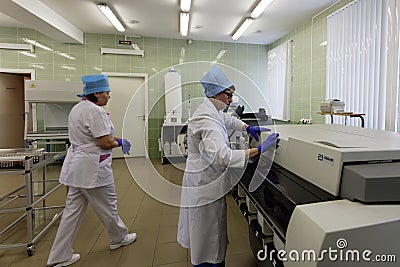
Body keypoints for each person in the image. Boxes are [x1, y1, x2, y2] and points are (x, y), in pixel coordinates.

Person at [177, 65, 279, 266]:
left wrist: (246, 126)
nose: (231, 99)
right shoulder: (207, 120)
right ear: (215, 94)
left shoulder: (210, 109)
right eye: (228, 94)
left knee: (205, 234)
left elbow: (226, 119)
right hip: (205, 184)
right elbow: (224, 156)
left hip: (201, 179)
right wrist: (260, 149)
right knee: (209, 237)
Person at [47, 74, 136, 267]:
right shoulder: (95, 112)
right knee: (108, 207)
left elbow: (96, 137)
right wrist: (119, 142)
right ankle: (119, 238)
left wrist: (116, 139)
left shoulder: (77, 108)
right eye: (107, 92)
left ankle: (58, 255)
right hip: (93, 170)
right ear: (96, 93)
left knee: (71, 213)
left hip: (77, 168)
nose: (109, 96)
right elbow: (104, 142)